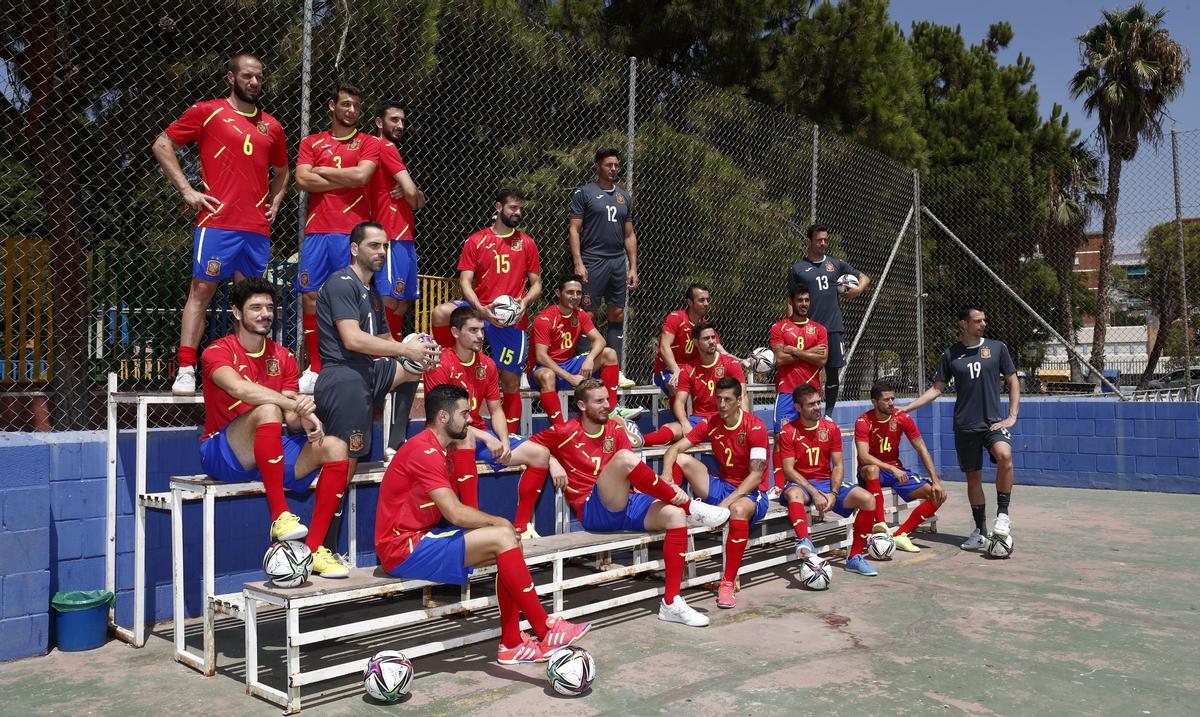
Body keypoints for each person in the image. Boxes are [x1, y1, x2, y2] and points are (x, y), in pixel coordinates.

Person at [375, 383, 591, 664]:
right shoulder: (423, 452)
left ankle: (512, 643)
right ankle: (545, 629)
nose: (470, 420)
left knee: (508, 540)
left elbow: (503, 448)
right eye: (465, 414)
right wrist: (498, 520)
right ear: (443, 417)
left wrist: (549, 461)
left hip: (422, 537)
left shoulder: (442, 446)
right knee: (503, 534)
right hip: (401, 547)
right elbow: (454, 512)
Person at [530, 379, 730, 627]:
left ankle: (671, 603)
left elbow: (635, 473)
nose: (607, 405)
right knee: (625, 458)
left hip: (626, 500)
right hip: (593, 508)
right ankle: (692, 507)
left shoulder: (615, 430)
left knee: (674, 516)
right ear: (581, 405)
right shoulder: (565, 431)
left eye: (607, 399)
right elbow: (528, 445)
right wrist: (551, 460)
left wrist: (660, 495)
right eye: (599, 401)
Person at [153, 52, 289, 395]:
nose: (254, 82)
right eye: (247, 76)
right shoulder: (207, 111)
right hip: (217, 222)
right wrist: (187, 190)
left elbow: (283, 170)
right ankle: (186, 368)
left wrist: (275, 200)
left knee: (255, 300)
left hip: (256, 228)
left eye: (258, 76)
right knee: (201, 291)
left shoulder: (271, 126)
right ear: (231, 77)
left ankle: (251, 369)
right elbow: (162, 143)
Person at [198, 277, 349, 578]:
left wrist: (304, 413)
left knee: (336, 447)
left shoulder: (284, 356)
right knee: (266, 409)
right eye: (255, 307)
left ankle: (314, 550)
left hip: (269, 448)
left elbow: (291, 419)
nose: (265, 313)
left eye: (269, 307)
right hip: (225, 450)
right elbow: (242, 390)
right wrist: (290, 404)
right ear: (237, 313)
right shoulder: (217, 351)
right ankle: (280, 514)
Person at [312, 222, 436, 554]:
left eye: (384, 247)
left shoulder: (373, 292)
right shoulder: (341, 283)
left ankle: (395, 442)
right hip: (344, 377)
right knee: (346, 465)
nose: (381, 252)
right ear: (355, 249)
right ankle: (322, 547)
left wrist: (418, 350)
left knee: (412, 370)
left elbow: (384, 341)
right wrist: (403, 350)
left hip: (367, 371)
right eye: (373, 246)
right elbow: (352, 339)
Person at [423, 305, 565, 539]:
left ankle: (522, 527)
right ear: (456, 332)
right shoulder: (440, 363)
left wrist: (504, 439)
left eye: (481, 330)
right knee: (465, 435)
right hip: (445, 437)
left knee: (539, 454)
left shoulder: (487, 364)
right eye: (473, 330)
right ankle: (472, 525)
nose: (480, 335)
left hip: (477, 434)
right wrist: (487, 436)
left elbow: (496, 410)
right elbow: (444, 418)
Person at [904, 306, 1019, 550]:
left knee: (1005, 456)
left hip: (993, 422)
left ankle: (1003, 515)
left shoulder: (997, 348)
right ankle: (980, 531)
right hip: (965, 425)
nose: (983, 324)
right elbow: (937, 388)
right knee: (973, 478)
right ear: (964, 324)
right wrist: (907, 408)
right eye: (977, 321)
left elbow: (1012, 379)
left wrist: (1012, 416)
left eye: (984, 319)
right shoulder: (951, 354)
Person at [430, 188, 542, 436]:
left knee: (510, 379)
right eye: (513, 207)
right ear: (498, 207)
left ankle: (509, 436)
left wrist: (523, 304)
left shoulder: (526, 243)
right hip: (480, 309)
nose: (518, 212)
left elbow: (537, 284)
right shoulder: (476, 240)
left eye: (521, 208)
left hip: (511, 317)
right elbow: (465, 282)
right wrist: (480, 310)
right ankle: (444, 360)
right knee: (440, 312)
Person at [295, 82, 380, 393]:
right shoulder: (312, 141)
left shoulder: (368, 142)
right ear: (332, 106)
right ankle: (316, 366)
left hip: (352, 232)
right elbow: (302, 179)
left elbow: (362, 176)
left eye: (356, 106)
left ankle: (356, 362)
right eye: (346, 104)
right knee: (311, 296)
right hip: (318, 230)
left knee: (355, 298)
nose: (352, 111)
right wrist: (341, 175)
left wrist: (324, 172)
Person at [660, 378, 770, 609]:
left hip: (751, 492)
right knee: (681, 460)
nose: (721, 404)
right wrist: (667, 475)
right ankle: (677, 512)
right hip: (724, 485)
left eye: (727, 400)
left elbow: (756, 476)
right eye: (718, 399)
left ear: (739, 401)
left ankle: (727, 582)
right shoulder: (711, 422)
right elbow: (675, 449)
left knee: (737, 510)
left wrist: (724, 505)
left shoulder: (755, 427)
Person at [777, 384, 880, 577]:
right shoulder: (788, 431)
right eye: (811, 404)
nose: (817, 407)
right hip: (801, 484)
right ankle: (805, 542)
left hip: (826, 482)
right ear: (798, 407)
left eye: (818, 402)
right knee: (793, 493)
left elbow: (838, 465)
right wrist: (814, 492)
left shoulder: (831, 428)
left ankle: (855, 558)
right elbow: (788, 470)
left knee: (868, 499)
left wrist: (833, 493)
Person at [368, 100, 425, 449]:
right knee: (389, 299)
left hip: (406, 237)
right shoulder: (382, 146)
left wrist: (412, 193)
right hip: (390, 236)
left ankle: (394, 358)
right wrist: (411, 192)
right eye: (394, 119)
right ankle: (385, 359)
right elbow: (413, 193)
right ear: (379, 122)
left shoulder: (389, 149)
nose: (400, 124)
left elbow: (417, 199)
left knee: (401, 304)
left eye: (403, 120)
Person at [529, 275, 642, 424]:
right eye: (570, 292)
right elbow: (541, 357)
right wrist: (570, 377)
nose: (575, 296)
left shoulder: (580, 314)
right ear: (558, 293)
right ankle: (560, 428)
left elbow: (600, 340)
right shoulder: (545, 319)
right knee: (547, 375)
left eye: (578, 293)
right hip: (543, 368)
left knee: (609, 354)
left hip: (568, 365)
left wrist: (589, 359)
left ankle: (611, 410)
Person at [568, 147, 637, 387]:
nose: (614, 169)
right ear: (597, 166)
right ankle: (586, 369)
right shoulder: (584, 193)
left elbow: (629, 235)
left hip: (617, 262)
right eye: (609, 165)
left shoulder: (624, 197)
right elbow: (574, 229)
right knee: (589, 314)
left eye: (617, 165)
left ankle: (614, 369)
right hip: (593, 259)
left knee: (617, 313)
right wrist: (578, 261)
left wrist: (632, 267)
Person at [785, 224, 870, 416]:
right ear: (808, 242)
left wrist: (858, 289)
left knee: (833, 371)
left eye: (825, 240)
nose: (823, 243)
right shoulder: (798, 269)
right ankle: (803, 414)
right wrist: (790, 325)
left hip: (833, 327)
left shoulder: (836, 264)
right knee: (806, 372)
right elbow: (790, 299)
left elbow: (863, 277)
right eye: (819, 240)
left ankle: (829, 416)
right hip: (808, 330)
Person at [853, 381, 947, 552]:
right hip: (872, 472)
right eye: (886, 400)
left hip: (895, 470)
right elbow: (863, 456)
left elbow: (921, 448)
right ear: (874, 402)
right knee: (872, 469)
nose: (891, 403)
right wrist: (891, 469)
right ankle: (881, 526)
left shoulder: (901, 417)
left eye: (893, 399)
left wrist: (936, 481)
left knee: (938, 494)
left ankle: (900, 535)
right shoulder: (863, 420)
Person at [641, 323, 748, 448]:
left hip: (726, 418)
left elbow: (743, 395)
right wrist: (685, 423)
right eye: (706, 338)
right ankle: (638, 441)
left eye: (713, 337)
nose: (712, 342)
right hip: (700, 421)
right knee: (671, 428)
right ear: (696, 343)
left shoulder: (730, 363)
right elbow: (679, 402)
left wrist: (744, 425)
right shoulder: (688, 369)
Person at [769, 285, 828, 490]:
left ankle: (812, 481)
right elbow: (778, 359)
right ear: (791, 302)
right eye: (800, 300)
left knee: (811, 438)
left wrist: (794, 350)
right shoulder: (779, 327)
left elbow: (823, 359)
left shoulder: (819, 329)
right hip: (786, 392)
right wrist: (809, 353)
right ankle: (778, 487)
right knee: (780, 437)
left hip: (811, 393)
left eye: (806, 300)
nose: (803, 304)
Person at [653, 283, 739, 398]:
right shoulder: (676, 317)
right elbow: (664, 347)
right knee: (678, 387)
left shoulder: (705, 327)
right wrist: (677, 371)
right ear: (690, 302)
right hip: (669, 370)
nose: (706, 304)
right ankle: (680, 415)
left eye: (708, 300)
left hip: (692, 371)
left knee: (718, 390)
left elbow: (722, 352)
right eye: (701, 300)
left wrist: (742, 361)